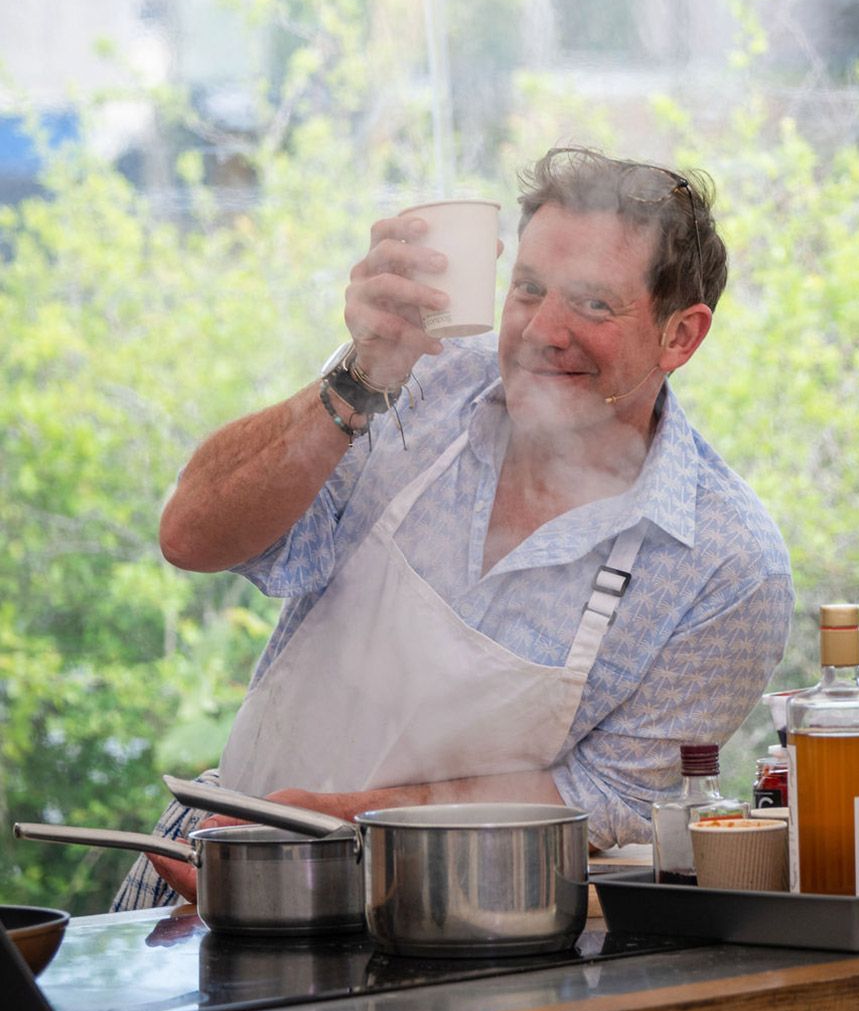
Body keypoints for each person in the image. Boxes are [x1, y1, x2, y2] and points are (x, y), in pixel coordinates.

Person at [114, 147, 793, 910]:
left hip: (440, 917)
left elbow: (606, 797)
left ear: (681, 336)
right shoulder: (424, 379)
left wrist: (339, 823)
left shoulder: (727, 564)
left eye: (594, 305)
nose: (543, 330)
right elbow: (191, 535)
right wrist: (362, 372)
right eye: (529, 289)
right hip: (216, 854)